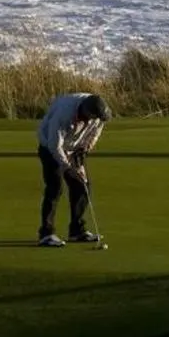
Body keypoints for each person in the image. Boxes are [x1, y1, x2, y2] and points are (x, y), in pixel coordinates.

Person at [36, 91, 111, 247]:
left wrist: (85, 149)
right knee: (55, 187)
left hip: (74, 147)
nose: (96, 120)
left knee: (82, 185)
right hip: (49, 147)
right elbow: (55, 146)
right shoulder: (64, 115)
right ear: (87, 112)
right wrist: (68, 168)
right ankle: (46, 234)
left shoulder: (98, 114)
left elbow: (95, 132)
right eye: (94, 117)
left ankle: (77, 231)